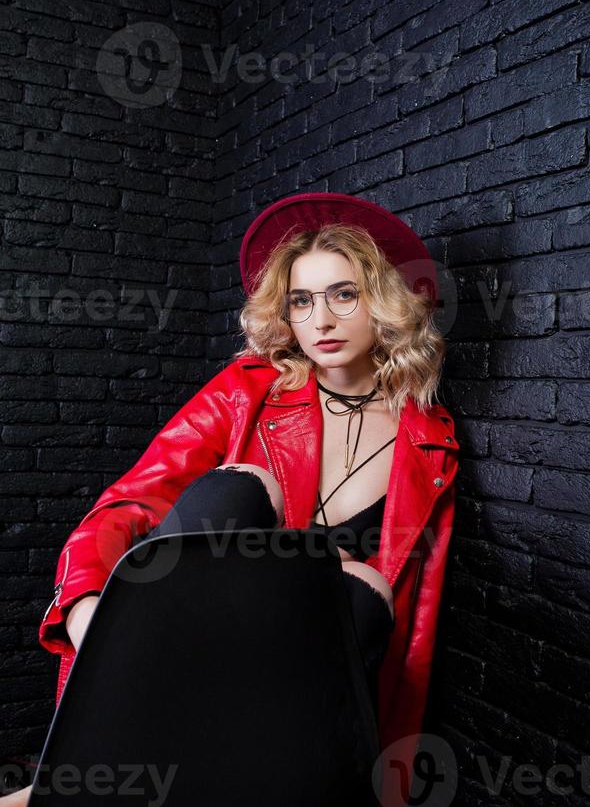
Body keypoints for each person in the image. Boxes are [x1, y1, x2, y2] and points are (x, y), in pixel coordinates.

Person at [4, 193, 459, 805]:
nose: (320, 320)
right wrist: (90, 610)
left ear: (384, 302)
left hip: (287, 705)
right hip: (172, 651)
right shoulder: (246, 392)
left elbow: (414, 634)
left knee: (365, 592)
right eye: (302, 300)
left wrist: (392, 783)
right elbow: (127, 508)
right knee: (247, 488)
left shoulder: (429, 445)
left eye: (343, 294)